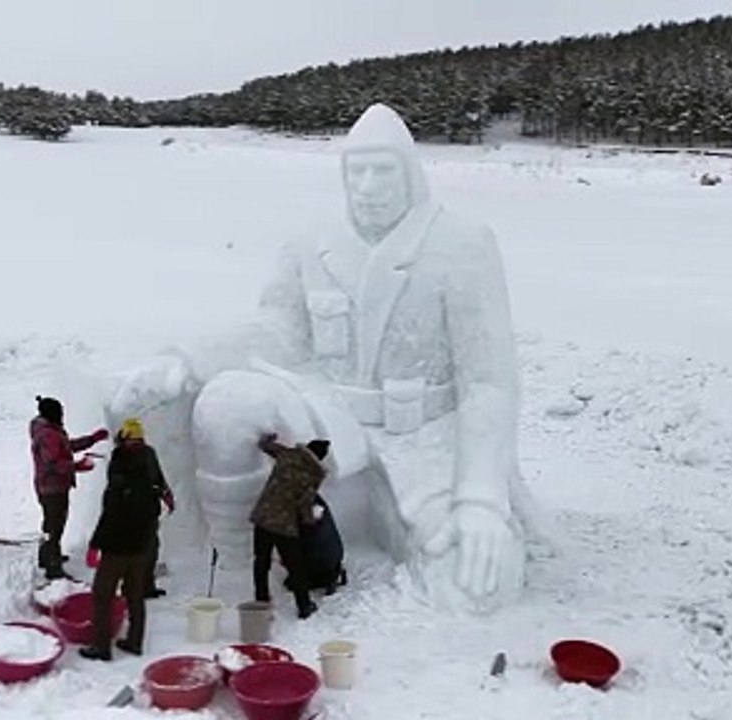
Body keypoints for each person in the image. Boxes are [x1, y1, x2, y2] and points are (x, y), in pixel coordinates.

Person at [107, 102, 535, 614]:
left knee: (477, 587)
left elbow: (489, 381)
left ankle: (414, 524)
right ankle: (239, 562)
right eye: (358, 171)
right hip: (331, 413)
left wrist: (481, 499)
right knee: (226, 403)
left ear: (411, 173)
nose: (369, 186)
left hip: (424, 433)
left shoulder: (462, 245)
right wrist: (187, 357)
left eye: (383, 170)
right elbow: (276, 330)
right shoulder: (311, 244)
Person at [79, 417, 168, 661]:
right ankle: (135, 642)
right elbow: (159, 482)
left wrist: (95, 544)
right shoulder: (149, 456)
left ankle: (101, 646)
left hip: (118, 546)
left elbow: (112, 512)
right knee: (135, 594)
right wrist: (166, 494)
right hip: (143, 541)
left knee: (102, 595)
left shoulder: (120, 466)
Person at [30, 395, 109, 581]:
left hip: (48, 486)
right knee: (55, 525)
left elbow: (65, 447)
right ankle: (53, 566)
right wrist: (77, 466)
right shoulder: (48, 434)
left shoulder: (48, 430)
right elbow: (53, 463)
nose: (63, 416)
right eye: (61, 413)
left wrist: (91, 439)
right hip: (53, 488)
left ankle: (48, 555)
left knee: (50, 523)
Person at [251, 433, 329, 619]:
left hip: (262, 517)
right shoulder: (312, 475)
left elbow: (266, 446)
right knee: (296, 566)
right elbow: (304, 505)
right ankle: (304, 605)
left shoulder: (288, 454)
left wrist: (267, 438)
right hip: (284, 525)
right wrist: (312, 520)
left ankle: (261, 601)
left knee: (261, 560)